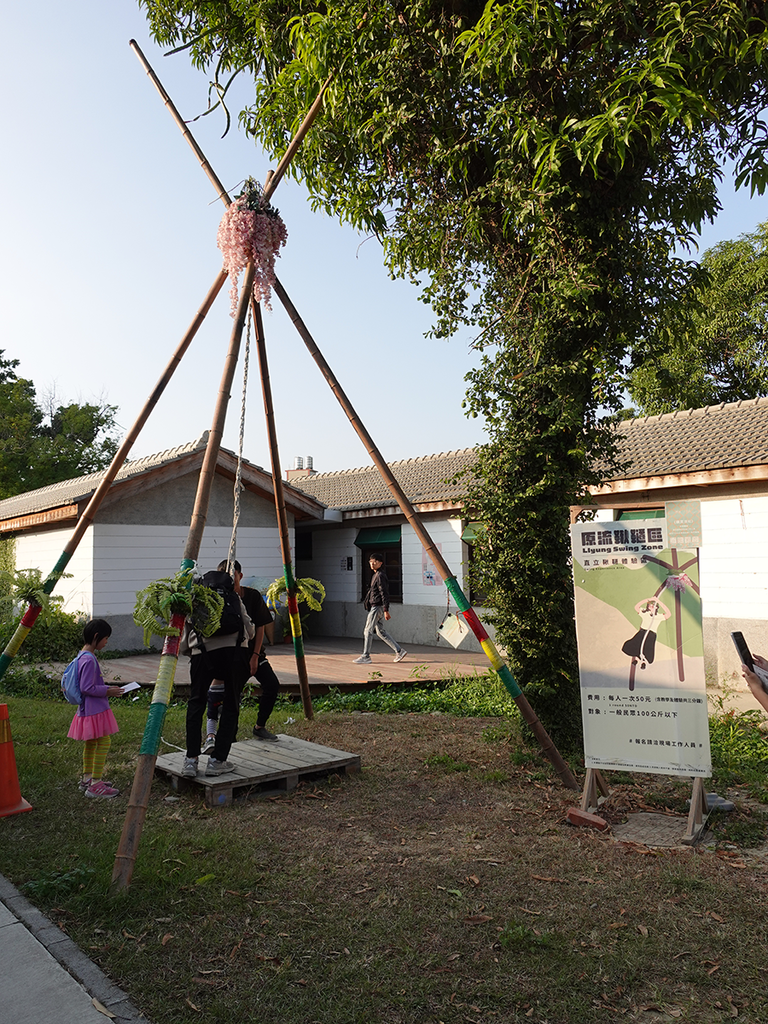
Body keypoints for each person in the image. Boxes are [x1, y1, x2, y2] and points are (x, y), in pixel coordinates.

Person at [181, 568, 255, 778]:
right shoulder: (233, 598)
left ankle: (191, 761)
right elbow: (249, 629)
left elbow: (186, 636)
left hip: (201, 654)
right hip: (235, 652)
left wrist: (193, 651)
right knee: (231, 704)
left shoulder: (196, 600)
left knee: (196, 702)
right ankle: (217, 761)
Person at [204, 559, 281, 746]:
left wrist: (255, 656)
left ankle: (259, 727)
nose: (230, 582)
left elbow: (259, 627)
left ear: (240, 576)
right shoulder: (218, 599)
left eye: (234, 578)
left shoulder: (252, 596)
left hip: (252, 652)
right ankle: (227, 738)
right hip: (232, 656)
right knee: (232, 698)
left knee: (272, 684)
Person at [67, 618, 124, 799]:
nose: (106, 642)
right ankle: (96, 784)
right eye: (106, 638)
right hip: (95, 709)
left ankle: (87, 778)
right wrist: (109, 690)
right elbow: (87, 687)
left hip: (86, 709)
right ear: (97, 637)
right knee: (104, 742)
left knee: (91, 742)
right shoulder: (90, 660)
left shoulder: (81, 655)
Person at [353, 552, 407, 665]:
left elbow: (384, 593)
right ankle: (399, 651)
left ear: (380, 563)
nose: (372, 564)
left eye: (375, 562)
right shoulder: (376, 574)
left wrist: (386, 610)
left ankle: (365, 656)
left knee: (368, 631)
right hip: (376, 607)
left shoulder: (380, 576)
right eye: (371, 561)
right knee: (380, 632)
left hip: (377, 607)